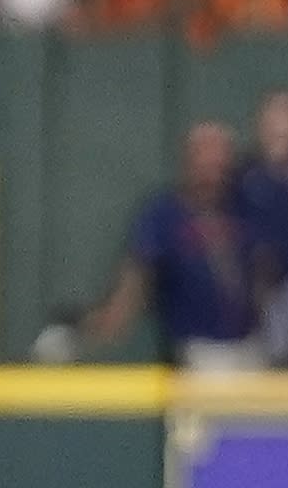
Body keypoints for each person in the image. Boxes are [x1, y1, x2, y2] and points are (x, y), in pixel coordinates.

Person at [71, 119, 267, 366]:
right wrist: (102, 322)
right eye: (205, 160)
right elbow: (135, 280)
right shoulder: (163, 214)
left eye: (220, 161)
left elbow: (267, 274)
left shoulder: (244, 209)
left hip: (252, 347)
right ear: (188, 161)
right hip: (196, 349)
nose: (214, 171)